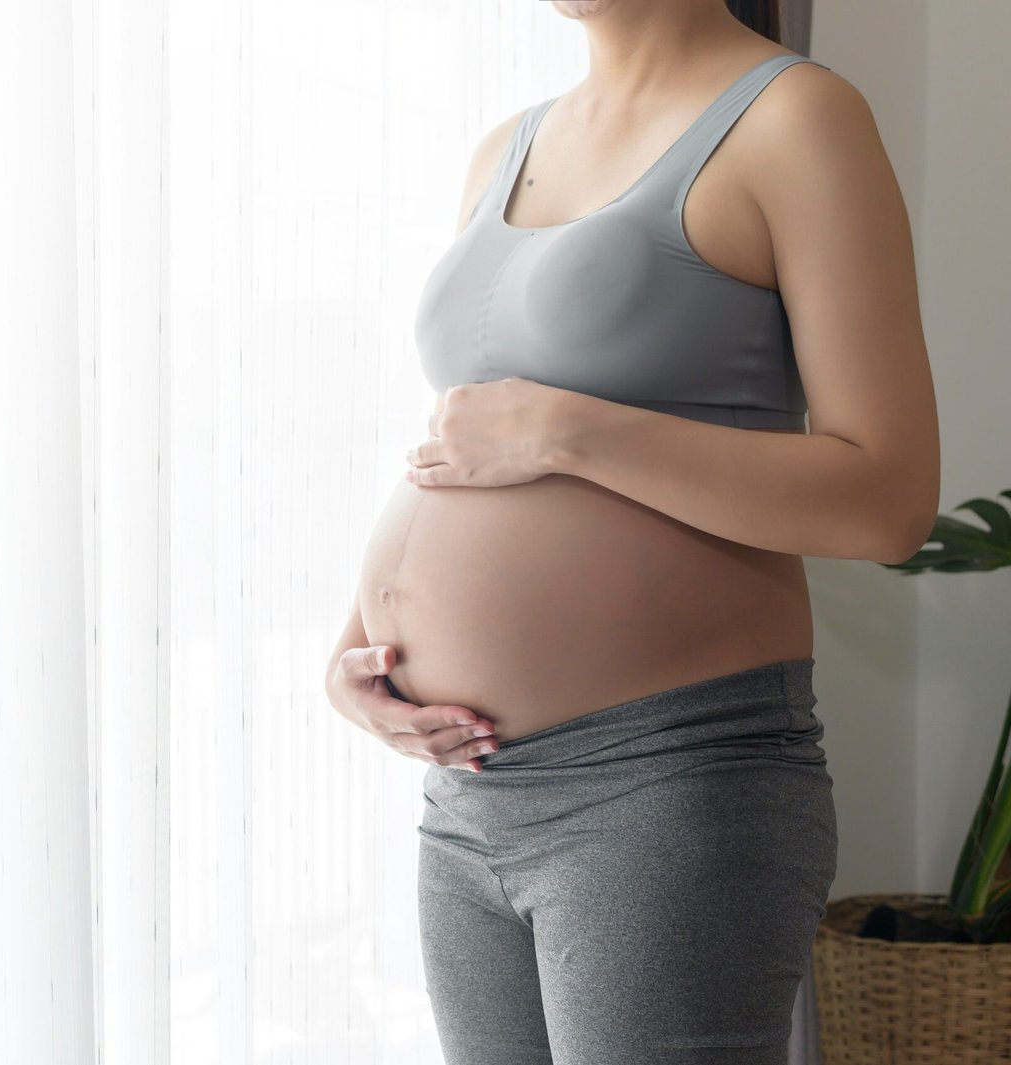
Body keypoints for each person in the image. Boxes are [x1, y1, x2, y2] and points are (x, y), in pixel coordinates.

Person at [321, 1, 940, 1062]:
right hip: (469, 794)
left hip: (668, 784)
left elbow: (885, 500)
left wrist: (574, 432)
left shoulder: (795, 119)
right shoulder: (506, 145)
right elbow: (474, 437)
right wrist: (356, 651)